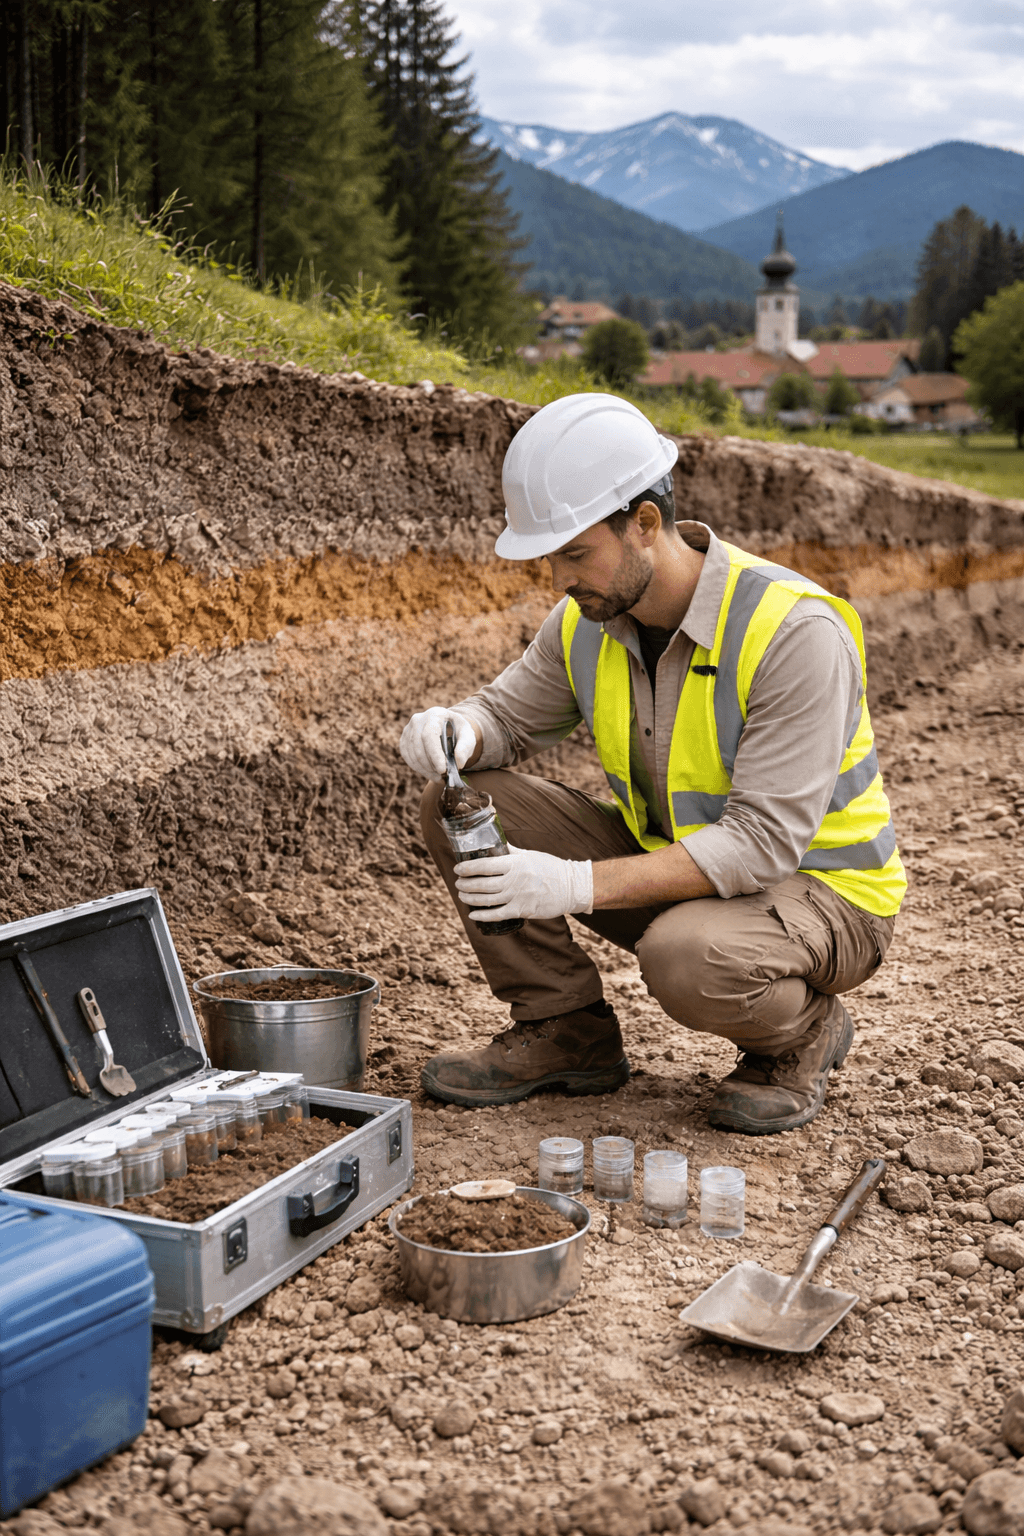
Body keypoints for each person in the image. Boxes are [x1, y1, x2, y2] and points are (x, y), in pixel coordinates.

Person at [400, 394, 904, 1135]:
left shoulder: (793, 629)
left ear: (644, 524)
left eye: (576, 553)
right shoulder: (589, 618)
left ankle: (802, 1034)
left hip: (827, 894)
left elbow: (762, 843)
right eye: (552, 557)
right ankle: (566, 1030)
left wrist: (572, 884)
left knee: (687, 955)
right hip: (689, 870)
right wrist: (460, 731)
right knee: (465, 802)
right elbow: (506, 719)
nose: (560, 578)